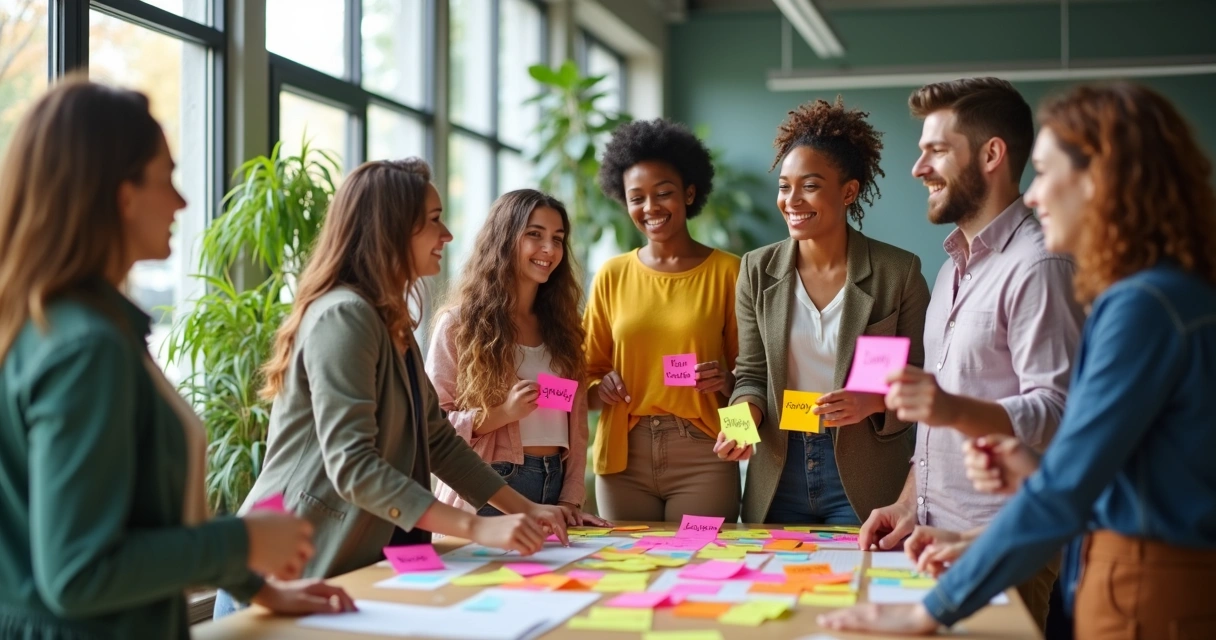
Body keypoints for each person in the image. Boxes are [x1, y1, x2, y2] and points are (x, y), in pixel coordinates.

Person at [819, 81, 1216, 638]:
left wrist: (923, 615)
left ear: (1099, 179)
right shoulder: (1163, 294)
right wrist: (983, 507)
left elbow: (1070, 479)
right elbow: (1109, 474)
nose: (1034, 193)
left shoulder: (1140, 304)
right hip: (1089, 566)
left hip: (1141, 592)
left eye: (1049, 172)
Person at [0, 77, 355, 639]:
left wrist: (259, 588)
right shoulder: (87, 347)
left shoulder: (57, 327)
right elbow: (80, 570)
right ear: (122, 194)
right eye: (167, 178)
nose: (183, 201)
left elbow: (135, 523)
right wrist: (246, 541)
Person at [214, 158, 569, 617]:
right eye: (435, 221)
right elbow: (355, 466)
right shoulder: (345, 315)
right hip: (287, 567)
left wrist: (520, 509)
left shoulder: (388, 321)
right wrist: (477, 528)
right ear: (393, 228)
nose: (448, 236)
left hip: (342, 564)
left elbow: (437, 438)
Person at [856, 77, 1085, 630]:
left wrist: (950, 408)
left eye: (936, 150)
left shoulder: (1039, 265)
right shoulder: (953, 265)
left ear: (991, 154)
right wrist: (909, 502)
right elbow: (939, 424)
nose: (918, 168)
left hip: (1005, 546)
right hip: (934, 538)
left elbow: (1056, 411)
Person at [716, 98, 929, 526]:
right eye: (784, 186)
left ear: (848, 191)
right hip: (780, 469)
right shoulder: (756, 270)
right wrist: (739, 427)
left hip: (865, 471)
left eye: (809, 185)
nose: (792, 200)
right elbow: (752, 375)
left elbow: (921, 380)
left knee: (860, 588)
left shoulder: (897, 272)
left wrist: (870, 401)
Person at [585, 119, 742, 522]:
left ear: (689, 193)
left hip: (704, 453)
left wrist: (727, 386)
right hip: (623, 457)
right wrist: (598, 387)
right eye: (636, 197)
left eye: (664, 193)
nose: (650, 208)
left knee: (700, 570)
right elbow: (584, 377)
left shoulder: (730, 271)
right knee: (632, 577)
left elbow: (755, 375)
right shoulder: (611, 274)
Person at [427, 189, 609, 527]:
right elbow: (433, 426)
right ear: (505, 239)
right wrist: (502, 414)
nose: (549, 249)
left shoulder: (564, 330)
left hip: (553, 483)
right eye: (535, 235)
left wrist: (570, 497)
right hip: (492, 483)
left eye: (558, 239)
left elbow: (577, 423)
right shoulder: (459, 325)